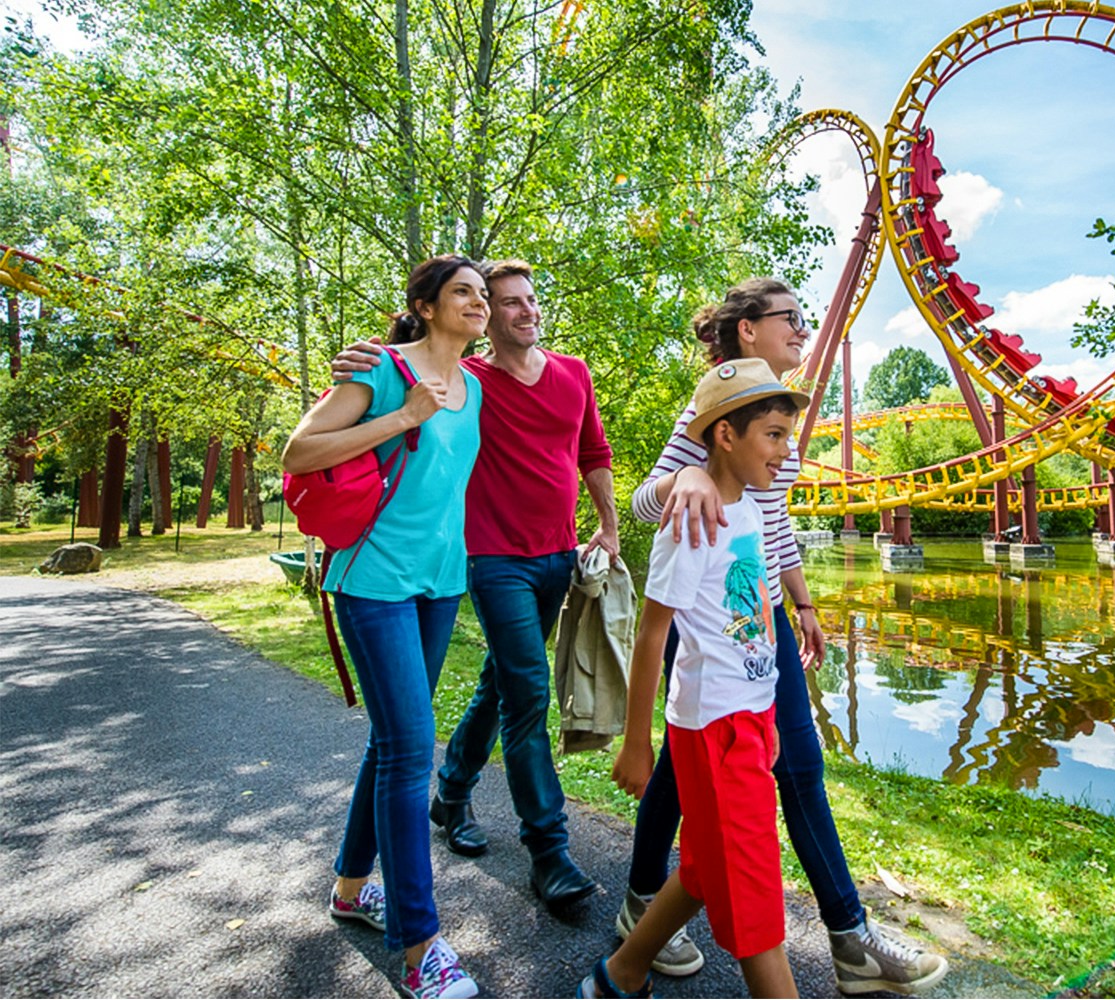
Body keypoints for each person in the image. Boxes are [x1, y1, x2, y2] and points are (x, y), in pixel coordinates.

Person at [621, 278, 949, 995]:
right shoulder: (718, 406)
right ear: (747, 331)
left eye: (804, 321)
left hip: (763, 610)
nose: (802, 331)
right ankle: (848, 936)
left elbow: (772, 525)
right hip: (712, 611)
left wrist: (802, 604)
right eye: (790, 320)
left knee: (698, 774)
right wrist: (682, 484)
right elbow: (647, 501)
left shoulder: (775, 418)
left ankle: (643, 915)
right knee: (782, 767)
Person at [334, 259, 618, 909]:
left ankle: (452, 789)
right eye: (507, 301)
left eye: (530, 300)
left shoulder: (573, 374)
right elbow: (413, 368)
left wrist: (608, 527)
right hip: (491, 560)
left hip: (558, 556)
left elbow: (593, 454)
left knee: (503, 680)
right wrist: (363, 361)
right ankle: (549, 851)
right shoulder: (471, 379)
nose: (525, 311)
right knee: (529, 692)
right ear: (488, 315)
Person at [283, 255, 487, 1000]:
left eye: (483, 296)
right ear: (425, 306)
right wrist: (400, 417)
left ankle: (348, 889)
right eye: (462, 292)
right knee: (408, 751)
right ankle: (418, 946)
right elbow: (298, 451)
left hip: (440, 583)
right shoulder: (382, 369)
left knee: (390, 745)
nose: (479, 304)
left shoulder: (475, 386)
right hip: (372, 582)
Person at [584, 358, 811, 1000]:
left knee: (710, 868)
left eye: (787, 435)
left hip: (750, 719)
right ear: (725, 436)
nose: (785, 449)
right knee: (756, 900)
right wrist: (635, 741)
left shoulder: (749, 512)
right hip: (714, 728)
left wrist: (770, 703)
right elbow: (652, 634)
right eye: (772, 434)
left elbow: (751, 613)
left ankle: (620, 975)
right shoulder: (691, 523)